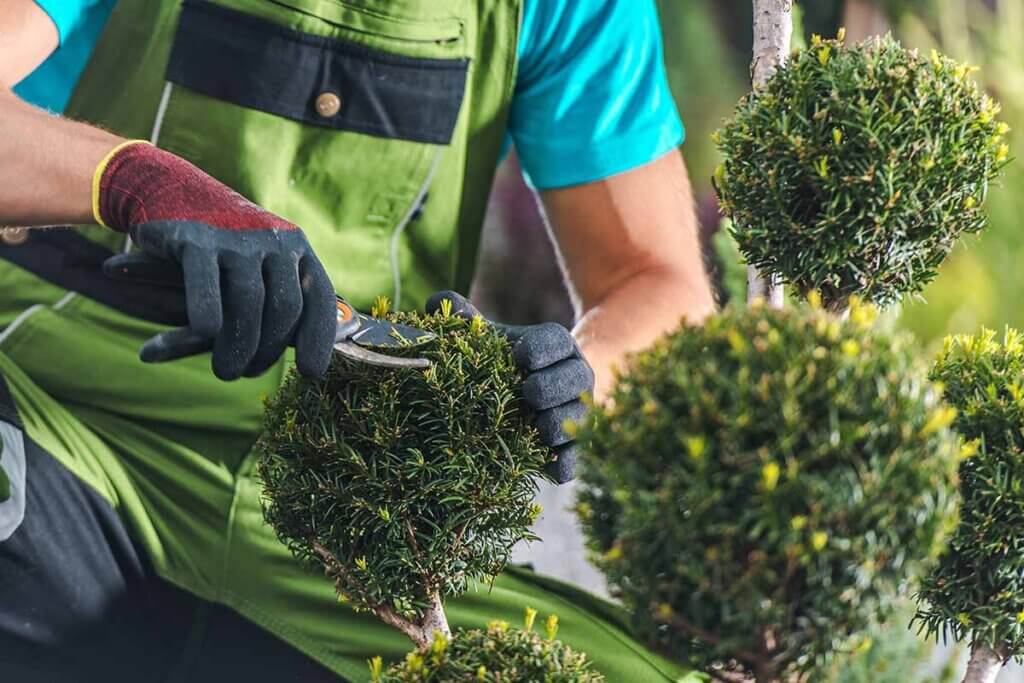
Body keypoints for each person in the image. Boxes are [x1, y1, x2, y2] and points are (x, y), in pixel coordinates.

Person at [0, 0, 716, 680]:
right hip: (62, 414)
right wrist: (135, 179)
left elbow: (658, 283)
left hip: (354, 498)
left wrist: (579, 375)